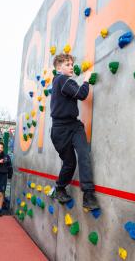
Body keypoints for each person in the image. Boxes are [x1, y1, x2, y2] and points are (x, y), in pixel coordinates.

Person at [50, 53, 99, 211]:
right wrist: (86, 79)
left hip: (74, 125)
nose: (71, 66)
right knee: (70, 163)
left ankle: (88, 195)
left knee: (84, 155)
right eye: (67, 64)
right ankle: (59, 188)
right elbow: (82, 94)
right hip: (60, 129)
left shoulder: (63, 82)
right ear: (58, 68)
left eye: (71, 64)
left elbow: (75, 93)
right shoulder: (61, 80)